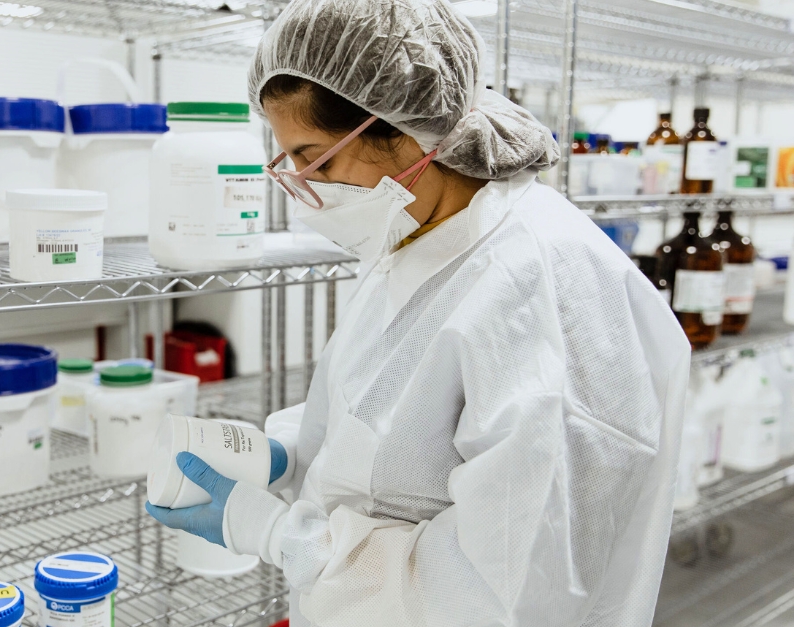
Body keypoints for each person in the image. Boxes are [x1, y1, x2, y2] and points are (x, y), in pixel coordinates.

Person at [146, 0, 692, 625]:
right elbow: (386, 410)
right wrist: (288, 452)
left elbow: (508, 584)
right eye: (288, 160)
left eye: (313, 156)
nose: (303, 185)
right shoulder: (419, 231)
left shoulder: (537, 282)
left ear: (403, 130)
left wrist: (281, 538)